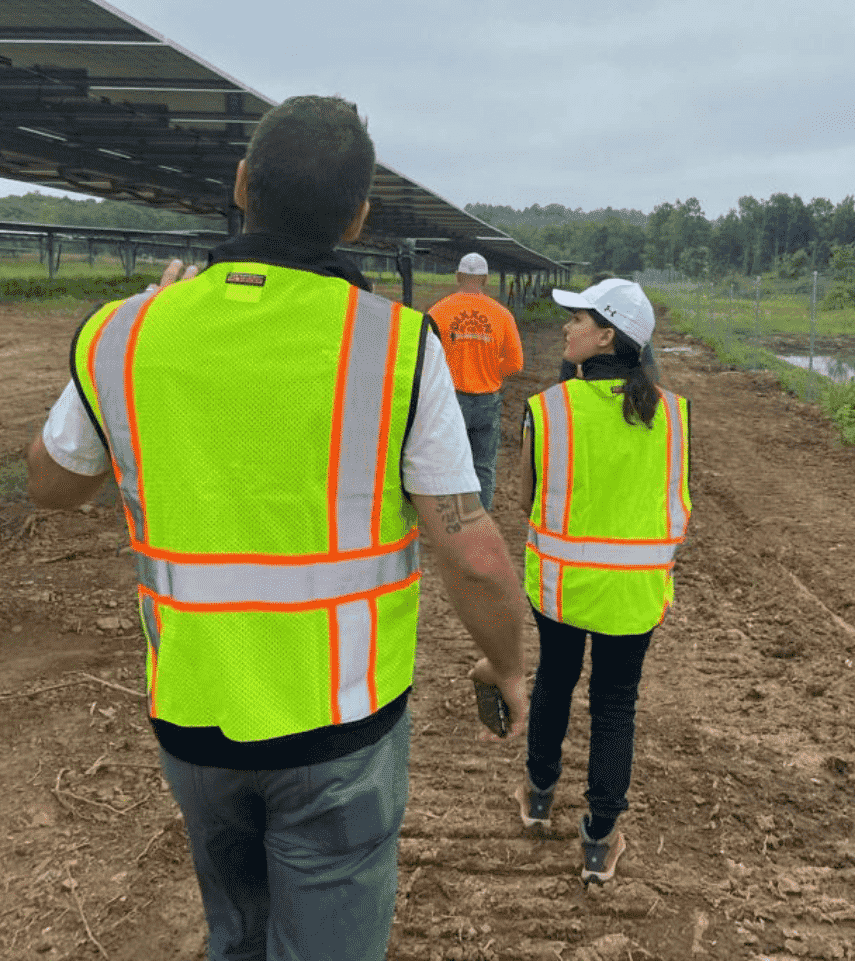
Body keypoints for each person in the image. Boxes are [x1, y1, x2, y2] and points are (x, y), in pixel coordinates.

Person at [25, 95, 529, 961]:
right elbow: (473, 556)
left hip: (194, 714)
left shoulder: (127, 332)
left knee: (240, 935)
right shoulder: (399, 347)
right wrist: (507, 663)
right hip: (340, 726)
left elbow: (50, 486)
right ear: (360, 215)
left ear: (241, 185)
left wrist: (142, 331)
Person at [514, 278, 691, 884]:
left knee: (555, 682)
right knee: (616, 705)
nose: (567, 329)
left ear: (605, 335)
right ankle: (600, 838)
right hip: (634, 592)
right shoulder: (672, 413)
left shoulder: (549, 409)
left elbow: (527, 501)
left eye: (577, 319)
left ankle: (539, 797)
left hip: (563, 587)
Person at [427, 254, 524, 511]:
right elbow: (516, 363)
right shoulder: (502, 315)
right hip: (488, 401)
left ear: (458, 277)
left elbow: (425, 357)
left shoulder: (438, 311)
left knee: (448, 464)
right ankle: (481, 519)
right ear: (486, 279)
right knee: (483, 466)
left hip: (450, 400)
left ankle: (453, 521)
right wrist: (491, 370)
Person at [555, 270, 660, 384]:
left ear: (606, 336)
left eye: (577, 319)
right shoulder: (636, 332)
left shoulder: (550, 401)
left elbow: (564, 380)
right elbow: (650, 371)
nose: (565, 327)